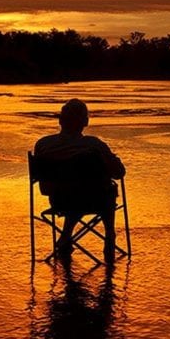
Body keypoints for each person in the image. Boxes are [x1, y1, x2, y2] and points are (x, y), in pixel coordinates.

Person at [34, 98, 126, 264]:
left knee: (75, 192)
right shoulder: (93, 146)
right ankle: (109, 236)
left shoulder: (43, 145)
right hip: (94, 201)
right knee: (107, 190)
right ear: (85, 122)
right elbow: (119, 172)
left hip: (60, 201)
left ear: (60, 120)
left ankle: (65, 237)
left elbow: (44, 186)